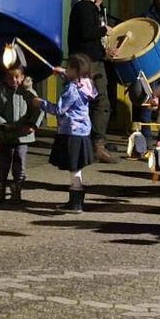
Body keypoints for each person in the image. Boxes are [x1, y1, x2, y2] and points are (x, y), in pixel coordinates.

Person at [0, 65, 46, 205]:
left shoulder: (28, 92)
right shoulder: (1, 92)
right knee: (2, 165)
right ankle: (0, 191)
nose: (14, 80)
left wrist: (33, 125)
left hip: (22, 136)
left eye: (17, 77)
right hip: (5, 135)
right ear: (5, 78)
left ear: (22, 77)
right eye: (10, 77)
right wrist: (3, 123)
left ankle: (17, 191)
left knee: (19, 164)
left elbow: (39, 109)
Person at [66, 0, 113, 156]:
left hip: (84, 59)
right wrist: (104, 30)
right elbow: (87, 33)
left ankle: (85, 142)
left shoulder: (81, 6)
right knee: (101, 101)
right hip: (89, 62)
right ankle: (98, 144)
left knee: (82, 102)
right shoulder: (85, 7)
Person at [49, 55, 98, 213]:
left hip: (71, 131)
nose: (67, 70)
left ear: (75, 70)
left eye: (69, 67)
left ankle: (75, 204)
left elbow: (59, 109)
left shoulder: (71, 89)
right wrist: (63, 72)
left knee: (74, 168)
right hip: (83, 131)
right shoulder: (87, 83)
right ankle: (76, 202)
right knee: (77, 168)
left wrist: (40, 103)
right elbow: (75, 79)